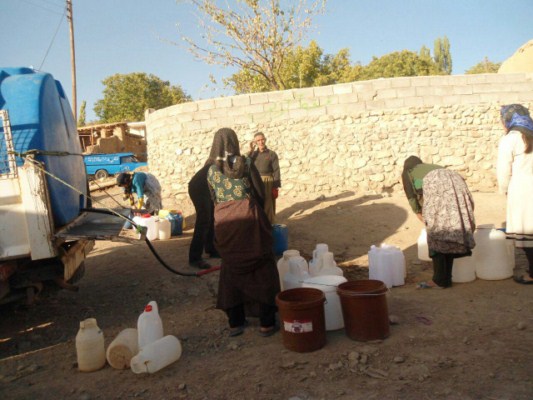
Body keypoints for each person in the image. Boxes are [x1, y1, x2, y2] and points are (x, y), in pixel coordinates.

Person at [206, 128, 280, 337]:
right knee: (263, 267)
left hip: (225, 223)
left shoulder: (211, 171)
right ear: (235, 143)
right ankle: (266, 322)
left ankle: (235, 322)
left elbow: (213, 198)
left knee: (231, 269)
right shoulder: (246, 164)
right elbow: (258, 192)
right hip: (249, 222)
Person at [402, 156, 476, 288]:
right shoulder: (432, 167)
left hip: (437, 185)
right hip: (457, 181)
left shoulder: (408, 171)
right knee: (451, 231)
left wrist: (418, 213)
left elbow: (411, 196)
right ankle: (445, 278)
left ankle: (439, 280)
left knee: (436, 234)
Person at [497, 104, 533, 285]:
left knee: (526, 233)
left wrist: (504, 190)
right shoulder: (529, 135)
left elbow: (504, 170)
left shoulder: (511, 139)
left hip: (523, 190)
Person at [187, 164, 219, 269]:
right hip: (199, 188)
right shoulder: (225, 162)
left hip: (207, 188)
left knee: (211, 217)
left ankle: (211, 249)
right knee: (204, 220)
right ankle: (194, 258)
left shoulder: (228, 162)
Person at [248, 132, 281, 224]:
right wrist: (250, 150)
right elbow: (245, 162)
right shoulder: (252, 155)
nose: (261, 142)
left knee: (268, 203)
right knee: (257, 202)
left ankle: (269, 223)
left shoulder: (272, 154)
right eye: (258, 140)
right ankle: (258, 222)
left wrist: (275, 187)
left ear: (265, 140)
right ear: (255, 142)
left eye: (262, 139)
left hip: (267, 181)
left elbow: (276, 170)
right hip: (255, 181)